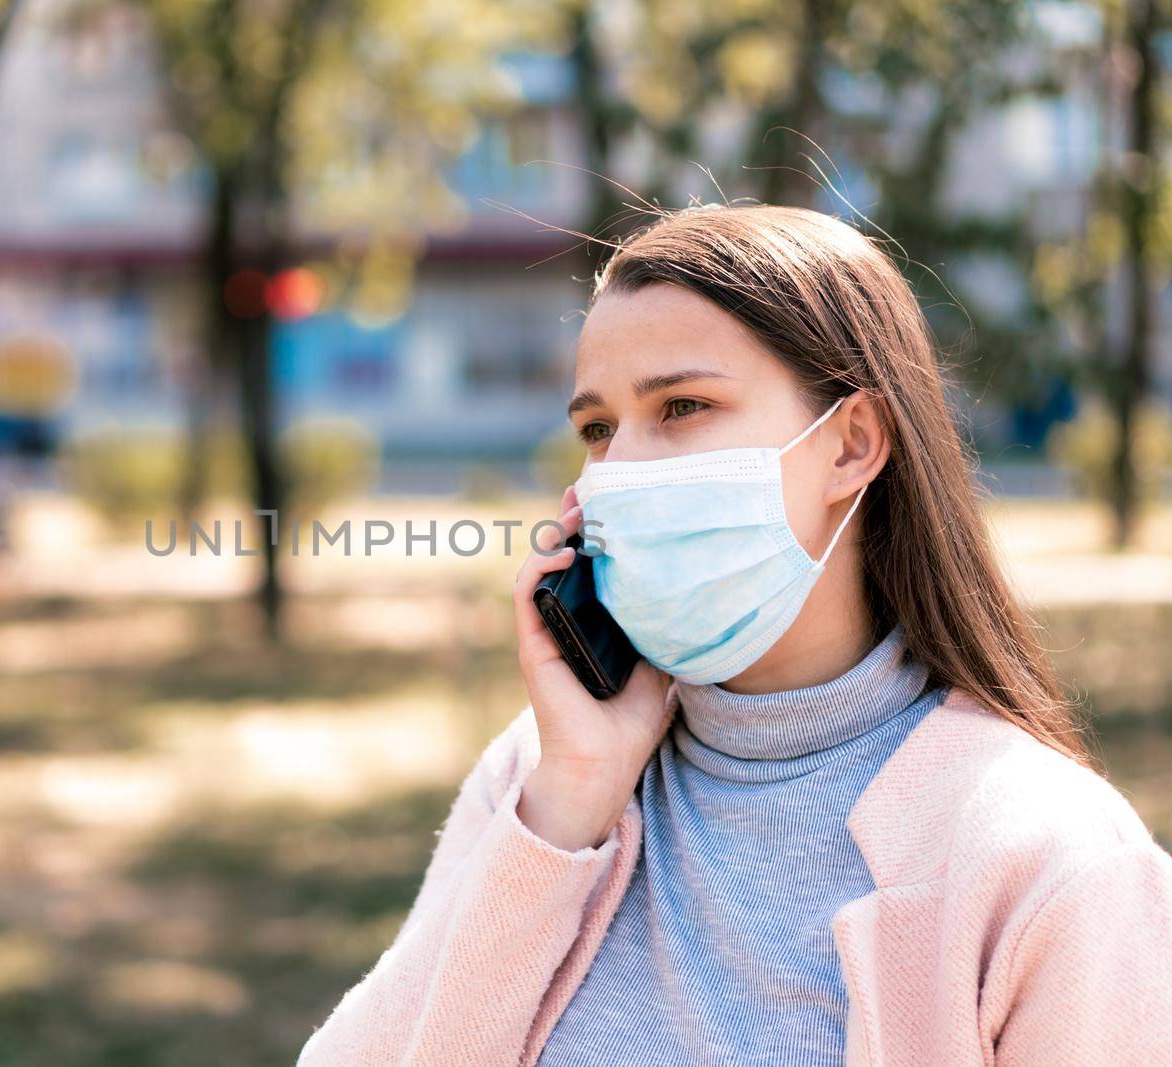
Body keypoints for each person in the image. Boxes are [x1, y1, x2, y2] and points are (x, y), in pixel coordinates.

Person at [296, 203, 1172, 1066]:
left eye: (680, 406)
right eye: (598, 429)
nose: (621, 469)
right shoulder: (538, 780)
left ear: (851, 444)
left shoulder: (1052, 863)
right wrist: (567, 807)